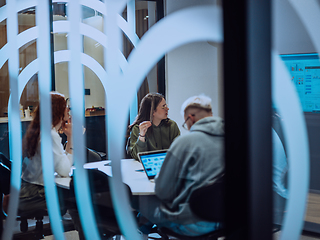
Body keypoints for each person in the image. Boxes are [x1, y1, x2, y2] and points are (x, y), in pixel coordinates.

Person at [138, 94, 225, 237]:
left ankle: (139, 234)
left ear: (190, 118)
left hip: (191, 223)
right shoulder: (234, 139)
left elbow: (163, 191)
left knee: (142, 201)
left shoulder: (186, 142)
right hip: (226, 219)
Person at [19, 91, 73, 214]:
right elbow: (65, 171)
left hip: (26, 188)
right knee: (79, 198)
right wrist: (72, 139)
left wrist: (69, 138)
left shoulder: (40, 131)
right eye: (65, 106)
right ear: (58, 110)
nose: (68, 110)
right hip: (34, 193)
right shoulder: (50, 135)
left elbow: (61, 165)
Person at [127, 93, 180, 160]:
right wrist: (142, 136)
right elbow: (137, 156)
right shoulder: (138, 128)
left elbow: (178, 150)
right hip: (146, 166)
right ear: (153, 111)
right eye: (163, 106)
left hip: (168, 165)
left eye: (166, 105)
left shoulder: (172, 125)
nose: (167, 108)